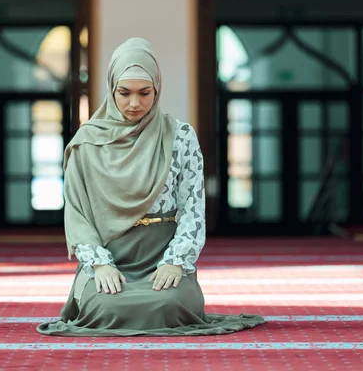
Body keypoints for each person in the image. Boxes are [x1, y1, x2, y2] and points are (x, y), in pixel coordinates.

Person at [36, 37, 265, 336]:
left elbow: (192, 207)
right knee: (106, 308)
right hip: (111, 257)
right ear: (111, 89)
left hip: (163, 254)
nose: (135, 103)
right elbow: (78, 215)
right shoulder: (87, 143)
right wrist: (100, 266)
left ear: (157, 89)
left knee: (171, 304)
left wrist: (176, 261)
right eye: (124, 93)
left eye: (145, 93)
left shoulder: (180, 136)